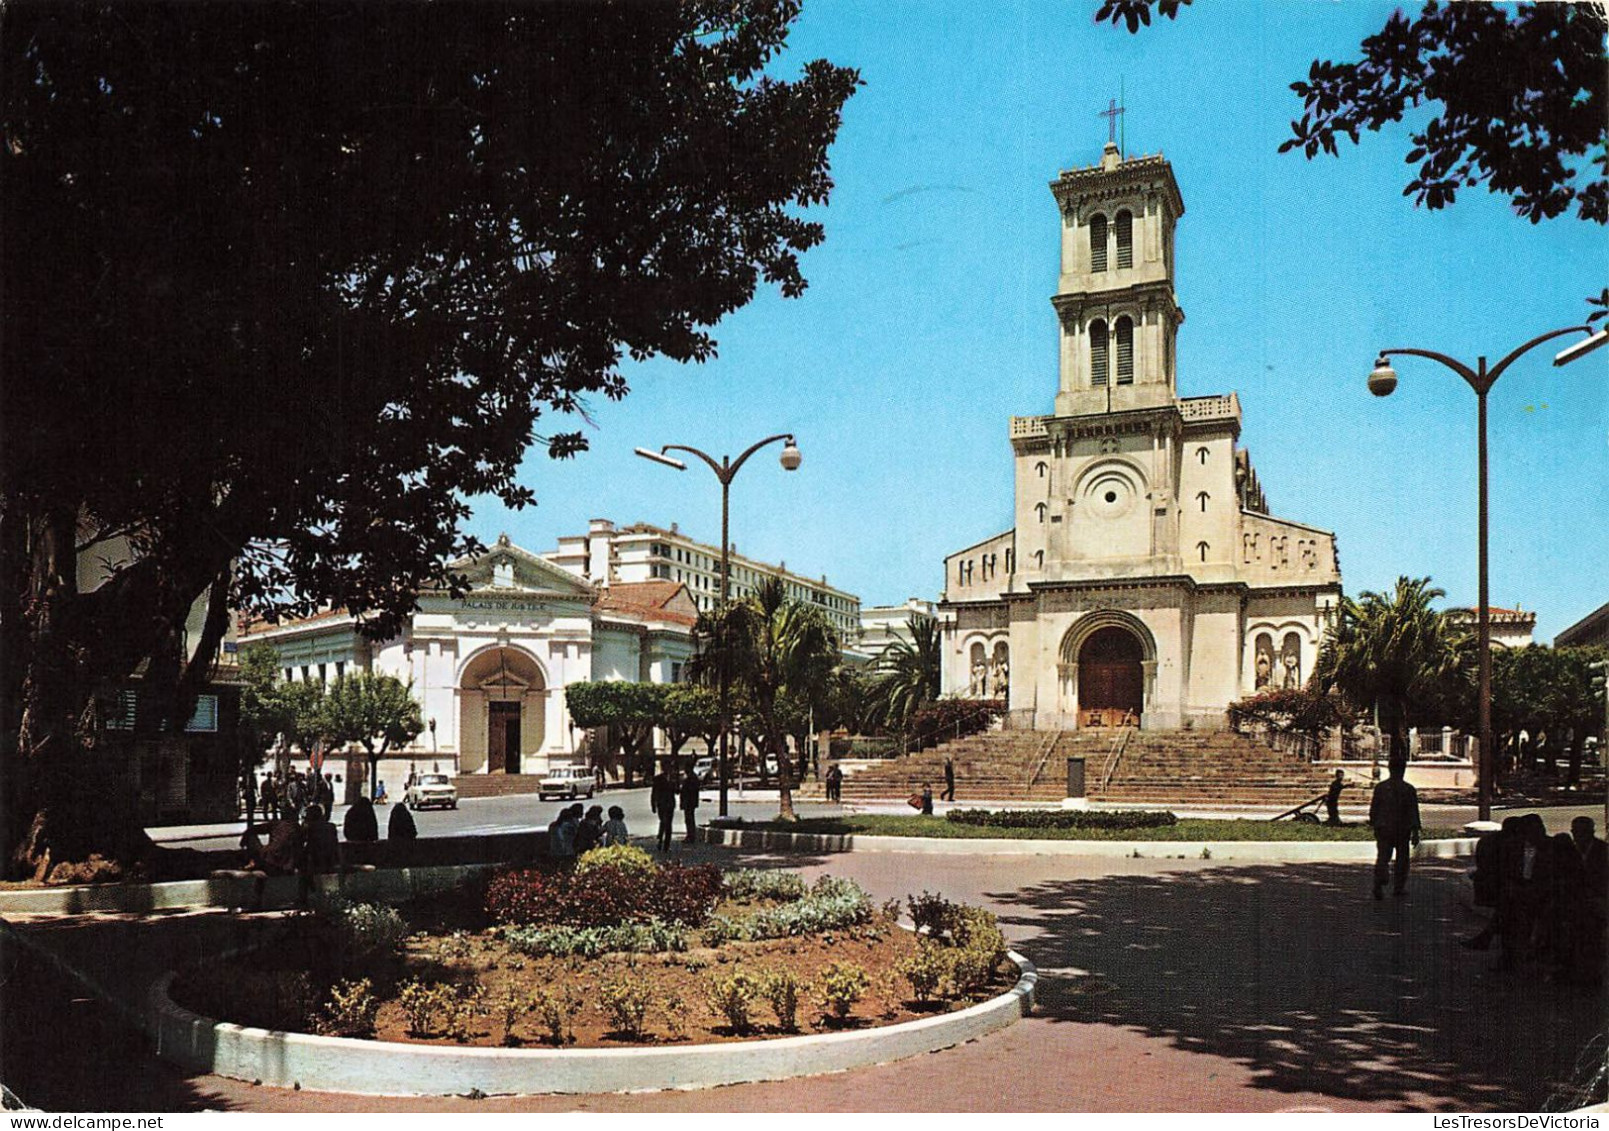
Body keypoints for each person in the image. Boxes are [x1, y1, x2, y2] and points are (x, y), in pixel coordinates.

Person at [1368, 756, 1420, 900]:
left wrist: (1374, 824)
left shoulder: (1381, 788)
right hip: (1402, 830)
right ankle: (1398, 887)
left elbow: (1374, 809)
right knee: (1402, 861)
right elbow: (1413, 812)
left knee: (1383, 857)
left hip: (1384, 828)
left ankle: (1378, 885)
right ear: (1403, 770)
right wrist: (1415, 832)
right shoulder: (1408, 789)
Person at [296, 804, 341, 907]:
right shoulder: (331, 826)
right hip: (330, 859)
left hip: (316, 860)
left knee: (304, 871)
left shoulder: (310, 827)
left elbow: (301, 843)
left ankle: (304, 897)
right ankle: (315, 893)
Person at [651, 769, 676, 852]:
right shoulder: (657, 779)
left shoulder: (673, 778)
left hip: (670, 805)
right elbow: (654, 793)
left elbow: (675, 790)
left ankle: (666, 845)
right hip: (661, 804)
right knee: (664, 823)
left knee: (668, 824)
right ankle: (660, 840)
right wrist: (653, 805)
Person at [679, 769, 701, 844]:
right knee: (689, 819)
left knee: (689, 819)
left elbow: (687, 791)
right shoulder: (692, 777)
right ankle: (690, 835)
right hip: (690, 802)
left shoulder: (690, 778)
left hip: (689, 802)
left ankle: (691, 836)